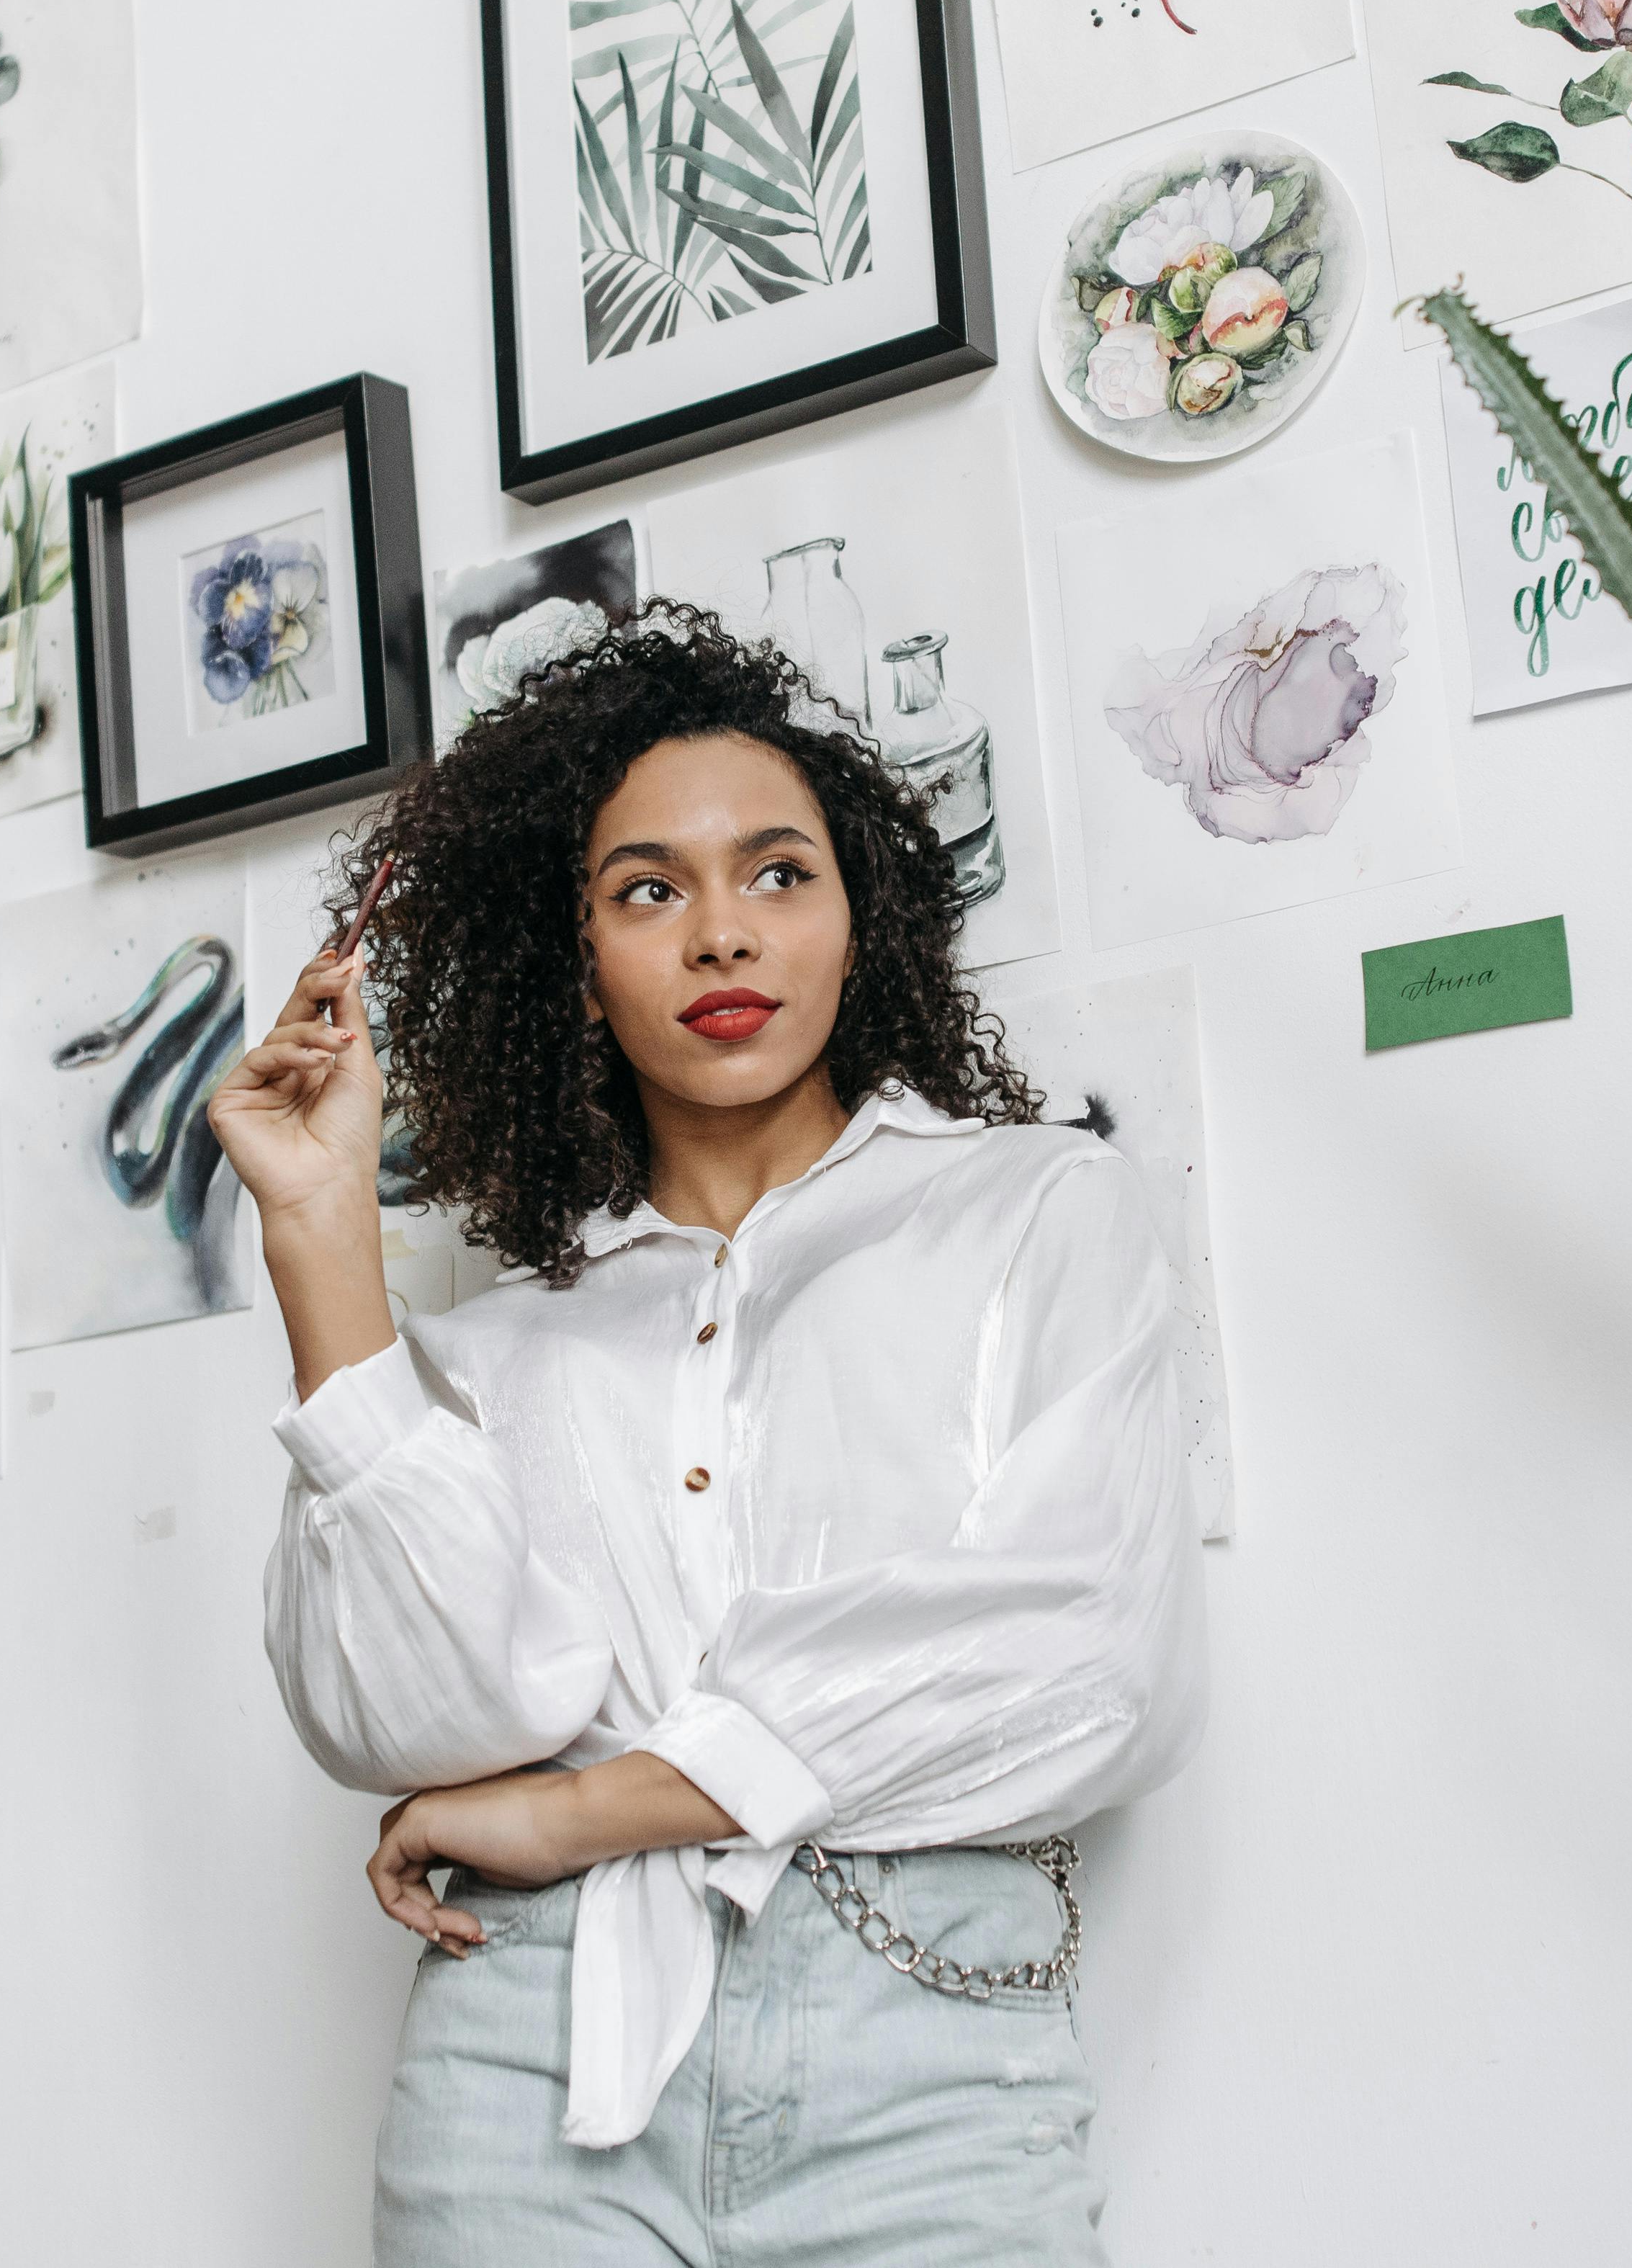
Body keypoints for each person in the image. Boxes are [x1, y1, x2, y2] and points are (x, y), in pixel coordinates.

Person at [209, 606, 1209, 2267]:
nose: (721, 936)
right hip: (527, 2048)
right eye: (648, 891)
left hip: (927, 2057)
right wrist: (319, 1243)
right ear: (577, 967)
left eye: (777, 873)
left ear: (855, 913)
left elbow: (1086, 1661)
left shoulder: (1036, 1210)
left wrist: (580, 1808)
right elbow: (427, 1718)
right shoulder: (495, 1338)